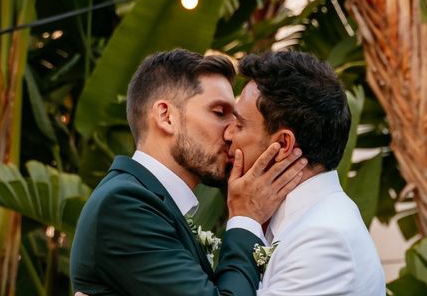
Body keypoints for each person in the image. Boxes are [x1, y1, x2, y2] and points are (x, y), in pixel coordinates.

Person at [70, 49, 307, 295]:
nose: (230, 133)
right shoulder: (123, 205)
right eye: (219, 113)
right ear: (166, 116)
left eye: (235, 118)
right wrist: (246, 218)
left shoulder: (149, 202)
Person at [224, 50, 386, 296]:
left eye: (239, 125)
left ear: (283, 145)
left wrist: (242, 220)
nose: (228, 135)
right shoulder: (302, 219)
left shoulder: (324, 238)